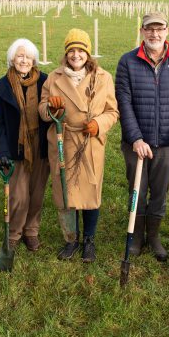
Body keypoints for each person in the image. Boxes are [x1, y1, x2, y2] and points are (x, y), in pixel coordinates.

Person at [115, 12, 169, 262]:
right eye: (149, 29)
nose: (154, 34)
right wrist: (136, 138)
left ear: (167, 31)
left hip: (168, 142)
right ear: (142, 31)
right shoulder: (127, 62)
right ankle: (136, 236)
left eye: (159, 29)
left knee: (160, 192)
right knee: (137, 189)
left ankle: (154, 236)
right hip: (135, 142)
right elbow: (123, 102)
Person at [39, 29, 118, 263]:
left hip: (90, 143)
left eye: (81, 50)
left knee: (91, 194)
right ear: (66, 54)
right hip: (64, 141)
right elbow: (41, 111)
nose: (76, 55)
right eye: (71, 50)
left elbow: (112, 111)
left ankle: (89, 241)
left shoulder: (103, 78)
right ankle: (71, 239)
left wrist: (98, 123)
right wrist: (51, 109)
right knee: (65, 192)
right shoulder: (53, 78)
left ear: (88, 53)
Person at [0, 39, 50, 251]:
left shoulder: (45, 82)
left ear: (34, 60)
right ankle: (15, 232)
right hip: (14, 148)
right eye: (19, 56)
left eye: (28, 57)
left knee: (37, 192)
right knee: (18, 195)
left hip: (40, 146)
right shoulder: (2, 86)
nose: (24, 60)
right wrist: (0, 153)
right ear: (12, 59)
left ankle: (31, 231)